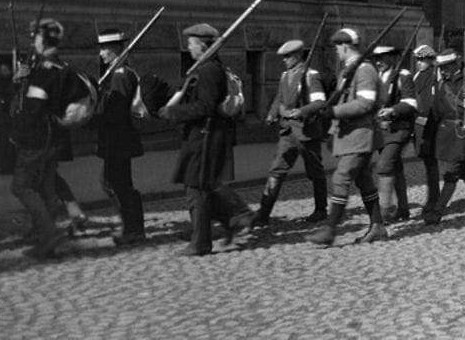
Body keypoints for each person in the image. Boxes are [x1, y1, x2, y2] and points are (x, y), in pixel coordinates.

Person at [159, 23, 254, 256]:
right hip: (202, 135)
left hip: (206, 136)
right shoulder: (206, 67)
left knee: (197, 188)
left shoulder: (209, 70)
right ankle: (232, 221)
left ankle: (202, 241)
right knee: (202, 187)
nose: (189, 48)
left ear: (202, 45)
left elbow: (206, 106)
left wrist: (174, 112)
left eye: (191, 44)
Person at [305, 28, 388, 245]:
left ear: (345, 46)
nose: (336, 51)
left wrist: (334, 112)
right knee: (364, 180)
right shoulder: (349, 70)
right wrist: (331, 127)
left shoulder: (365, 70)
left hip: (361, 133)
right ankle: (378, 226)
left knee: (341, 177)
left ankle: (330, 229)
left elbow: (366, 103)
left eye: (337, 46)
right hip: (350, 133)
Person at [10, 19, 70, 258]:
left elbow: (32, 109)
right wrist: (20, 80)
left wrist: (17, 134)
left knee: (21, 187)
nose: (32, 41)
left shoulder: (43, 70)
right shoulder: (58, 66)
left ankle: (48, 234)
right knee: (45, 187)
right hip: (54, 136)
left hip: (37, 138)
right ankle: (46, 237)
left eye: (34, 36)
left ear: (43, 40)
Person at [255, 39, 328, 227]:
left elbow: (320, 102)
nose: (284, 60)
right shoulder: (285, 76)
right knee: (276, 171)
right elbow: (279, 98)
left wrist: (301, 111)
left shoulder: (311, 75)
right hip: (287, 132)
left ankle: (321, 210)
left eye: (287, 56)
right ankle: (263, 213)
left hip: (307, 132)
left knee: (315, 172)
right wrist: (272, 114)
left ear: (297, 56)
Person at [422, 49, 465, 225]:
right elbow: (435, 114)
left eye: (445, 67)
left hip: (463, 134)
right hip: (446, 136)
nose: (442, 70)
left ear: (455, 65)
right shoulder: (440, 85)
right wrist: (427, 137)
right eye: (441, 67)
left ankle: (437, 212)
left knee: (451, 172)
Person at [95, 29, 146, 246]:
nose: (101, 53)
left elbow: (116, 111)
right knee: (115, 182)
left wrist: (94, 115)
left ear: (116, 49)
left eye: (105, 49)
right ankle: (132, 227)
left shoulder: (121, 74)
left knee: (117, 184)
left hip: (118, 139)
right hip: (117, 139)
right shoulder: (117, 72)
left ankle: (133, 228)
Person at [373, 45, 417, 222]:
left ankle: (385, 211)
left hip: (399, 129)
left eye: (382, 58)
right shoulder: (376, 77)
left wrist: (393, 110)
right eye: (376, 59)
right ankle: (403, 209)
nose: (379, 62)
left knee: (384, 166)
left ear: (392, 58)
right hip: (381, 130)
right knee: (395, 168)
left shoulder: (402, 75)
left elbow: (411, 103)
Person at [411, 44, 440, 215]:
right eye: (418, 60)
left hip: (430, 125)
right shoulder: (417, 76)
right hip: (418, 125)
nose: (419, 63)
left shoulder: (434, 76)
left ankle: (434, 199)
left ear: (430, 60)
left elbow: (432, 102)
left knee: (431, 163)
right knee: (427, 162)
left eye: (423, 60)